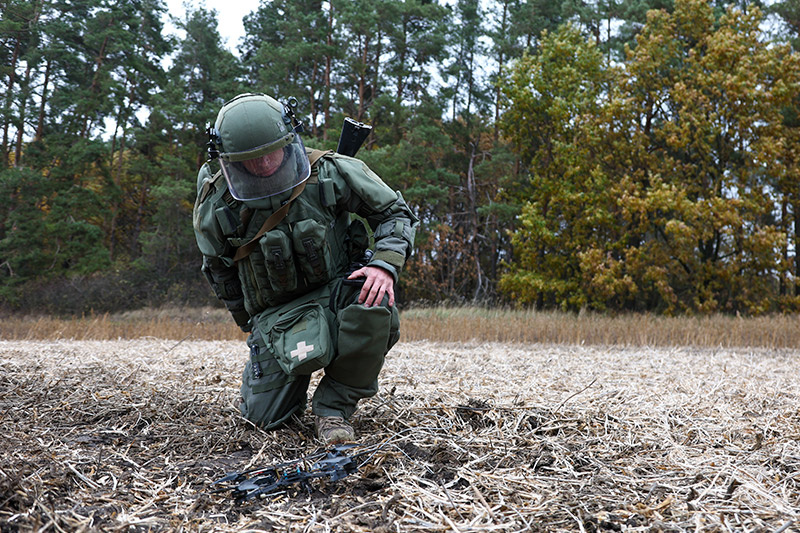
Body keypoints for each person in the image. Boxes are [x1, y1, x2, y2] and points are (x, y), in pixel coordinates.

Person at [192, 93, 418, 444]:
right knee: (264, 422)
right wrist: (250, 326)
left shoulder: (328, 170)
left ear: (289, 139)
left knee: (374, 304)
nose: (265, 163)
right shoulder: (217, 206)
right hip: (277, 314)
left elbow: (394, 213)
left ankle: (333, 409)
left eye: (273, 151)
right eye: (252, 160)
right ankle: (277, 385)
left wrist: (384, 265)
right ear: (230, 162)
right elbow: (218, 270)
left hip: (338, 292)